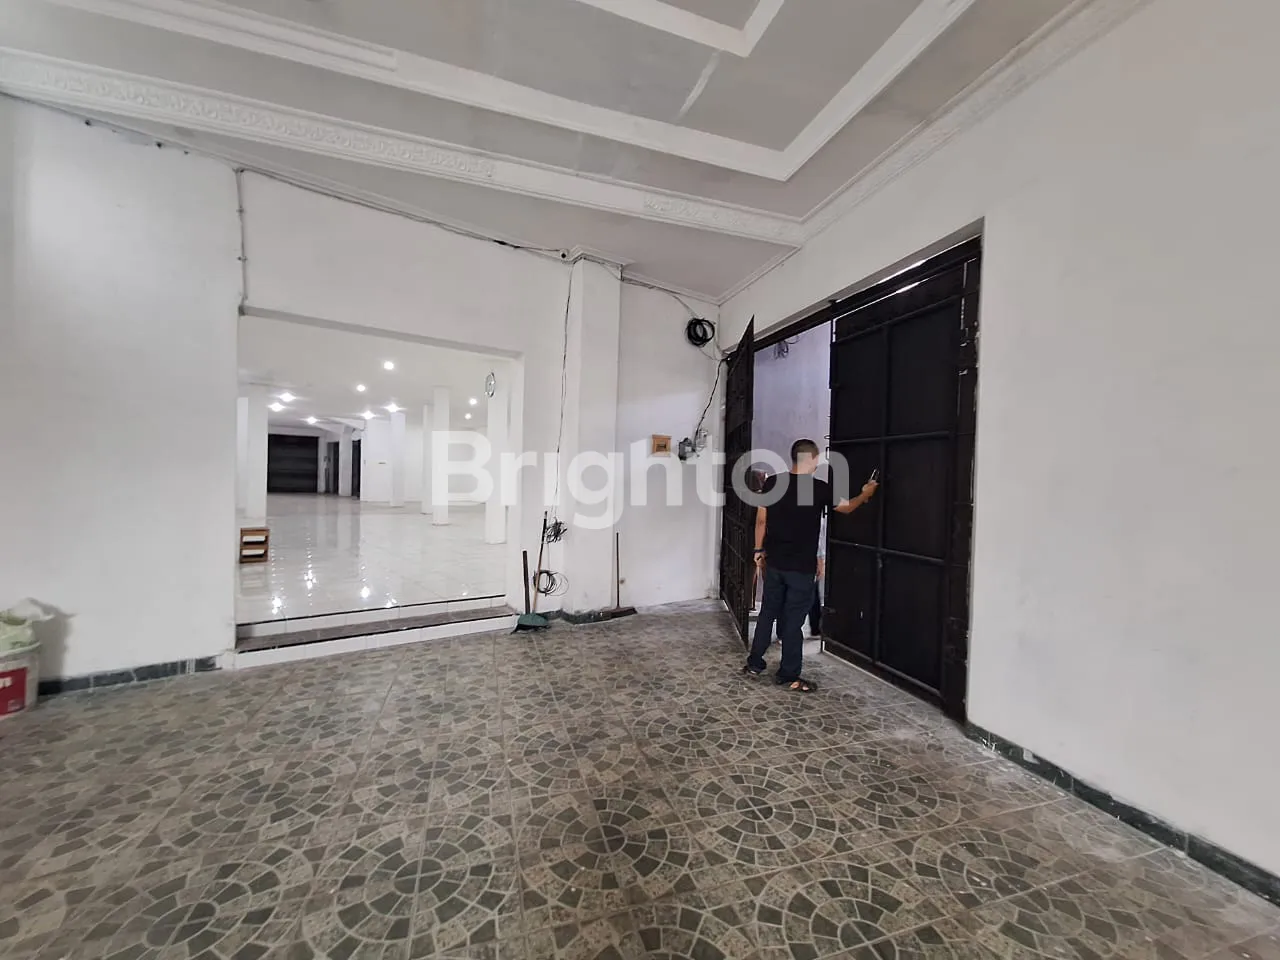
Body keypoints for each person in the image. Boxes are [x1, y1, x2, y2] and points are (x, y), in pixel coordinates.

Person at [744, 439, 878, 692]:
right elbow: (847, 508)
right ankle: (788, 675)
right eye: (817, 458)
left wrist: (758, 550)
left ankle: (754, 664)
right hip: (801, 568)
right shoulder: (819, 489)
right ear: (810, 459)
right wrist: (866, 493)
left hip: (775, 563)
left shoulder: (773, 483)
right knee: (793, 622)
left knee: (767, 613)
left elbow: (761, 521)